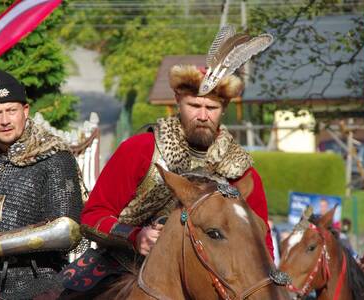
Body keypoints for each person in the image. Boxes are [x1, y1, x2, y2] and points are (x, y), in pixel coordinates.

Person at [63, 31, 276, 295]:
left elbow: (261, 240)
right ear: (177, 101)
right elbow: (93, 216)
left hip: (212, 283)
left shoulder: (241, 170)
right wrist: (134, 236)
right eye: (194, 105)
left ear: (224, 108)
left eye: (211, 108)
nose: (202, 116)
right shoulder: (139, 149)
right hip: (121, 267)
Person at [0, 70, 85, 299]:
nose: (4, 120)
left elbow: (66, 231)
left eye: (11, 110)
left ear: (25, 111)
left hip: (38, 287)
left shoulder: (54, 158)